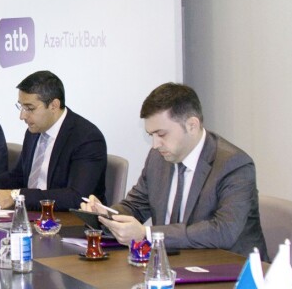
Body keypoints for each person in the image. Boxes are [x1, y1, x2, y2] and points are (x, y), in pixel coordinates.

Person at [81, 82, 267, 254]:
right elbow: (135, 206)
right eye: (151, 135)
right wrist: (105, 215)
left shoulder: (234, 164)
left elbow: (223, 231)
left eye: (161, 134)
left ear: (192, 125)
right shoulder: (158, 158)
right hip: (175, 264)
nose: (155, 144)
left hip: (231, 269)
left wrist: (147, 234)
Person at [0, 70, 107, 211]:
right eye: (21, 107)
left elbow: (77, 197)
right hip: (30, 216)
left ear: (54, 105)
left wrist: (16, 196)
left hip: (68, 224)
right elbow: (17, 178)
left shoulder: (86, 138)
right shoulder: (33, 132)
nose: (22, 116)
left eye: (29, 108)